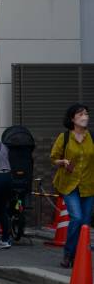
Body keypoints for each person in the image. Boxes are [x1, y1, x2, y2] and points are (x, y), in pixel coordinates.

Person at [50, 104, 94, 268]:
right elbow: (53, 157)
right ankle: (68, 254)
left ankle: (79, 255)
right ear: (72, 119)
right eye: (81, 114)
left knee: (85, 222)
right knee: (76, 217)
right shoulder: (65, 137)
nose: (85, 117)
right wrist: (63, 161)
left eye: (86, 114)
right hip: (69, 185)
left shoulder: (92, 137)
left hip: (89, 185)